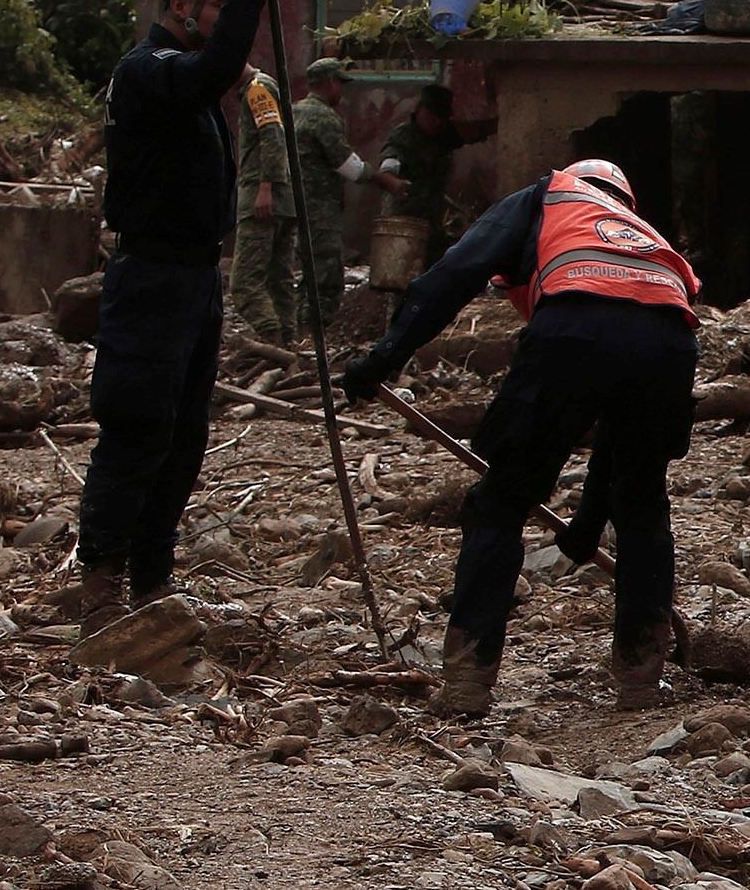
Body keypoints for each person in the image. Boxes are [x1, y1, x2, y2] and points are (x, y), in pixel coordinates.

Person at [343, 157, 701, 715]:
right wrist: (589, 521)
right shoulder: (644, 237)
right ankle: (640, 681)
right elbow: (620, 421)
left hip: (571, 329)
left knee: (501, 502)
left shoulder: (547, 196)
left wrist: (383, 358)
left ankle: (467, 684)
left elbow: (455, 273)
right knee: (642, 503)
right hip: (670, 344)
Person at [72, 0, 274, 633]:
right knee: (137, 427)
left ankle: (152, 579)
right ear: (180, 3)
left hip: (194, 279)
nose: (224, 22)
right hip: (151, 277)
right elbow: (209, 71)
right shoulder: (147, 72)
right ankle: (101, 588)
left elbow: (213, 73)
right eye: (218, 6)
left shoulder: (189, 86)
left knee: (183, 438)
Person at [377, 84, 490, 265]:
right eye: (433, 116)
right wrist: (393, 182)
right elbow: (388, 165)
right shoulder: (403, 137)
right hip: (404, 225)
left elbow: (470, 131)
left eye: (443, 118)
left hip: (431, 225)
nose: (438, 122)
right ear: (419, 110)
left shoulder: (441, 135)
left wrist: (505, 120)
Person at [289, 56, 362, 329]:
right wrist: (383, 180)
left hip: (293, 206)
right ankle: (313, 331)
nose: (341, 91)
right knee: (327, 276)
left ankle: (298, 328)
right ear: (331, 83)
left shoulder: (293, 111)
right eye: (340, 83)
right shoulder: (324, 116)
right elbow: (347, 165)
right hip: (319, 209)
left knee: (307, 273)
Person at [228, 71, 296, 346]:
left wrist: (265, 186)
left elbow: (272, 136)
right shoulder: (260, 87)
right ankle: (288, 345)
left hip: (263, 199)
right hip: (283, 199)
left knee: (244, 283)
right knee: (279, 280)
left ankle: (273, 339)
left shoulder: (257, 88)